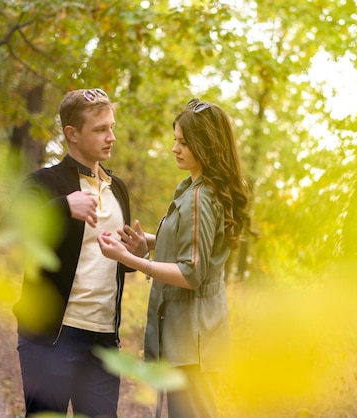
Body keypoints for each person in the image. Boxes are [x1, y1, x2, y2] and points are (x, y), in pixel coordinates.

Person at [98, 98, 252, 418]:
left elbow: (191, 272)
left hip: (193, 343)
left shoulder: (199, 196)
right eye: (175, 140)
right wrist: (150, 243)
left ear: (205, 146)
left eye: (183, 142)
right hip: (194, 339)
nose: (175, 149)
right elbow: (196, 248)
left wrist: (133, 259)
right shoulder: (194, 188)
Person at [10, 88, 148, 417]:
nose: (111, 137)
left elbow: (108, 258)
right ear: (72, 133)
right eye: (100, 129)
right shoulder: (45, 181)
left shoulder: (118, 190)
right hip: (52, 338)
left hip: (103, 342)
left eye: (111, 127)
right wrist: (62, 207)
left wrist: (137, 255)